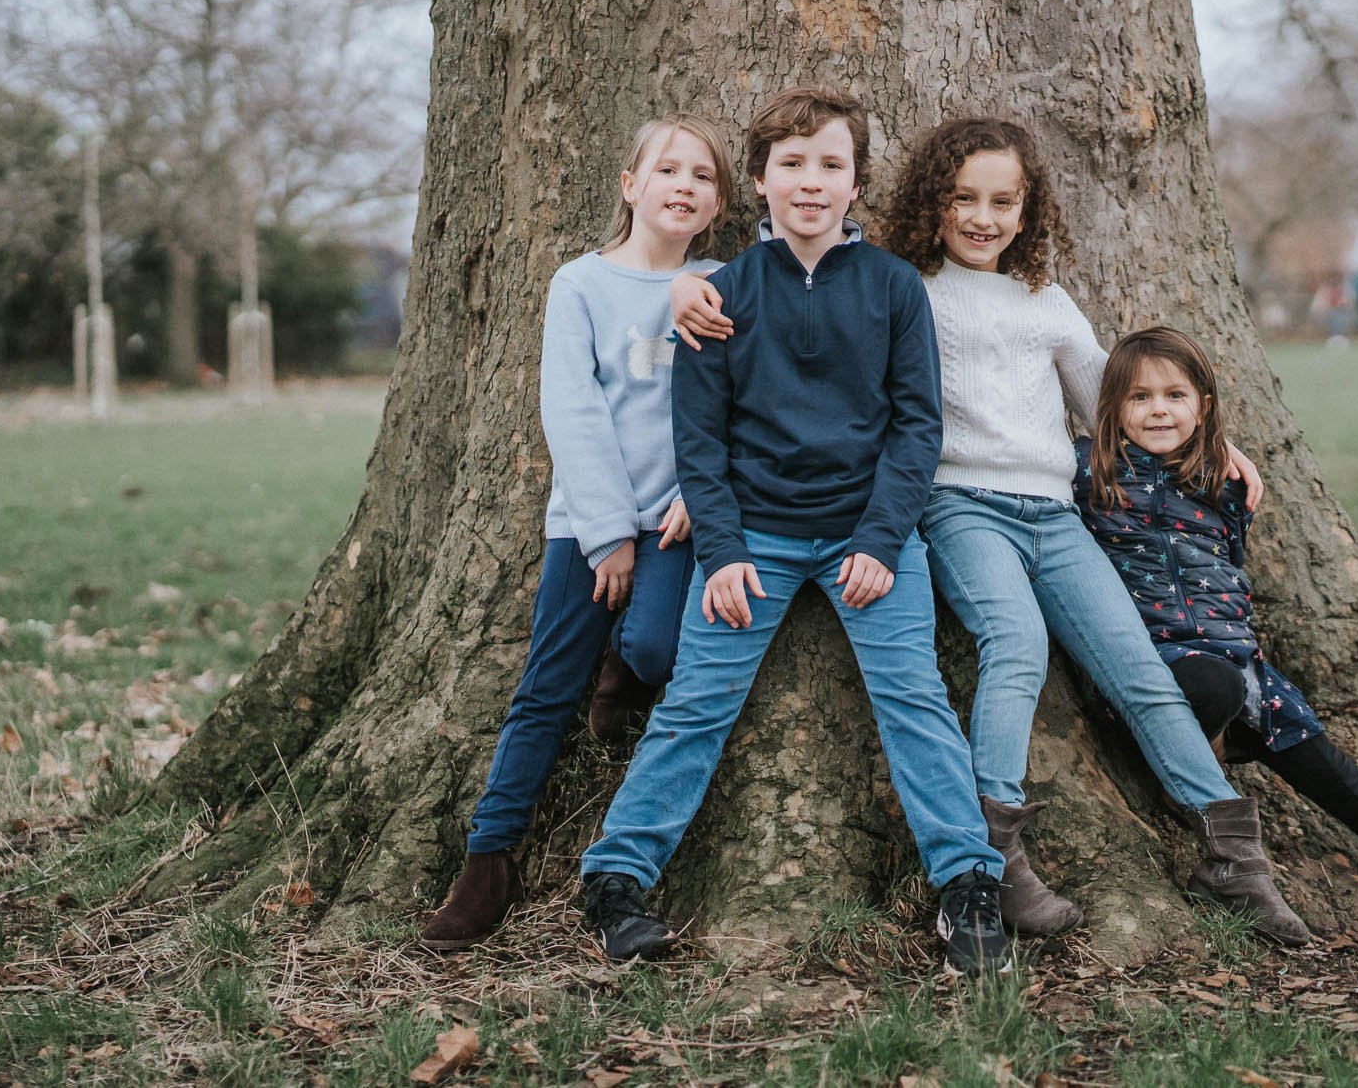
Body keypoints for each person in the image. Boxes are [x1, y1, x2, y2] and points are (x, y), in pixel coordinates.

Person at [680, 116, 1310, 946]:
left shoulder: (1045, 302)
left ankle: (1233, 854)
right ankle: (995, 858)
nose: (982, 216)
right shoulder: (903, 288)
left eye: (1002, 201)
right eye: (963, 198)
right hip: (959, 505)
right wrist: (683, 281)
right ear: (932, 204)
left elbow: (1108, 403)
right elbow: (801, 288)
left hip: (1054, 512)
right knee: (1016, 643)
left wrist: (1215, 445)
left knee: (1141, 671)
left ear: (1027, 210)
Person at [577, 87, 1010, 977]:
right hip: (756, 542)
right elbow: (699, 440)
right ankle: (616, 879)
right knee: (696, 701)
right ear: (762, 183)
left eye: (831, 165)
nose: (811, 182)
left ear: (856, 183)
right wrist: (726, 554)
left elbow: (916, 427)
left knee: (916, 699)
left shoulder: (893, 287)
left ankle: (968, 881)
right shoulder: (720, 294)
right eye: (791, 164)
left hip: (869, 541)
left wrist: (884, 541)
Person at [420, 114, 734, 952]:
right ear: (630, 186)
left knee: (662, 653)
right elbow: (573, 407)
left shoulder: (727, 282)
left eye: (702, 176)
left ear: (718, 202)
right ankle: (486, 862)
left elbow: (748, 402)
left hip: (680, 520)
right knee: (543, 694)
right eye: (667, 168)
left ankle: (621, 670)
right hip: (589, 526)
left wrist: (706, 495)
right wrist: (605, 533)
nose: (684, 185)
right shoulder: (582, 284)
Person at [1076, 325, 1358, 934]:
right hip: (1150, 667)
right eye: (1139, 398)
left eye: (1174, 395)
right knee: (1212, 688)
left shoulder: (1221, 483)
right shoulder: (1089, 477)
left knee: (1314, 753)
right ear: (1113, 408)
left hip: (1235, 658)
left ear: (1203, 406)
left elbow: (1228, 567)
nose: (1157, 410)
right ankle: (1188, 755)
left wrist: (1228, 455)